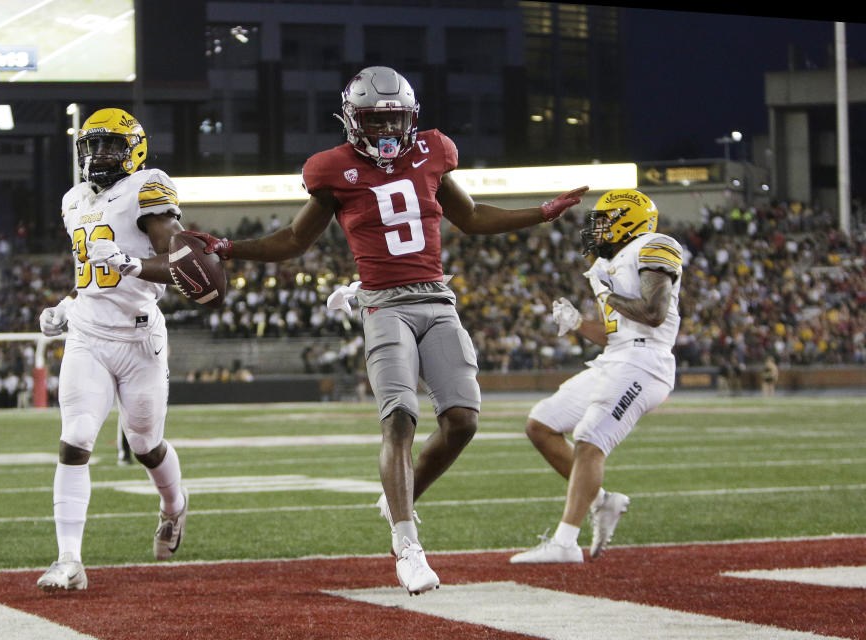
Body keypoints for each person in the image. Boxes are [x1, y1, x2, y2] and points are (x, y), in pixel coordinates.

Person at [180, 66, 587, 593]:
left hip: (436, 298)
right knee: (399, 418)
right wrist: (233, 249)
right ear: (353, 121)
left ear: (411, 118)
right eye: (375, 121)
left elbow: (473, 216)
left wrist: (541, 213)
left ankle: (402, 493)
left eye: (395, 119)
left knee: (462, 421)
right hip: (383, 305)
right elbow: (294, 241)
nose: (386, 131)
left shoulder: (433, 152)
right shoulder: (331, 170)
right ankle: (407, 543)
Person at [35, 108, 189, 592]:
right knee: (75, 439)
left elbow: (183, 264)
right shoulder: (73, 200)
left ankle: (173, 507)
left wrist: (132, 264)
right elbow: (90, 276)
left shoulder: (148, 186)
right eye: (93, 145)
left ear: (134, 151)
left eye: (111, 146)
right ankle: (69, 560)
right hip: (88, 336)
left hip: (140, 339)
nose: (99, 155)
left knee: (144, 444)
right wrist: (66, 304)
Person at [510, 188, 683, 564]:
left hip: (645, 363)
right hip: (617, 357)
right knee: (541, 424)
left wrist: (608, 294)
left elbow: (653, 312)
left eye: (605, 221)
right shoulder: (606, 265)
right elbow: (614, 334)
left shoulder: (654, 245)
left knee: (589, 438)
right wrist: (577, 323)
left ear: (629, 220)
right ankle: (602, 500)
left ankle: (565, 542)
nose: (598, 229)